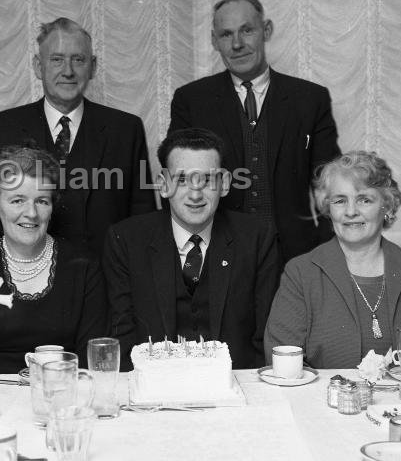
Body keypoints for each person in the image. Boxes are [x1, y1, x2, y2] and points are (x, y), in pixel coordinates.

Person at [169, 0, 341, 264]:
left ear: (266, 31)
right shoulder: (191, 101)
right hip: (216, 257)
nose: (237, 44)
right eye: (226, 34)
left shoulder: (309, 100)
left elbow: (331, 183)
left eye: (247, 30)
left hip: (295, 257)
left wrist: (323, 247)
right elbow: (180, 183)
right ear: (215, 41)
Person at [0, 17, 156, 255]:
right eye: (56, 60)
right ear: (38, 67)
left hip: (107, 281)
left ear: (93, 67)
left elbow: (144, 220)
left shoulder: (126, 130)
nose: (68, 71)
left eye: (78, 60)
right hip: (24, 281)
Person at [103, 128, 279, 371]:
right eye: (182, 180)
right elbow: (122, 334)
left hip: (234, 386)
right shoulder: (126, 240)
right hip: (154, 390)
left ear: (225, 184)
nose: (195, 194)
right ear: (164, 185)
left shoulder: (257, 238)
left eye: (207, 180)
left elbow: (265, 336)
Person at [0, 145, 107, 373]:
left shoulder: (85, 268)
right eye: (17, 200)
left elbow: (92, 362)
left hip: (61, 400)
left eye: (42, 201)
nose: (31, 213)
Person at [264, 151, 401, 369]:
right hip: (324, 402)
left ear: (386, 205)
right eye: (340, 200)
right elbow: (282, 363)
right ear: (328, 208)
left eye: (364, 200)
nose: (350, 212)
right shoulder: (301, 273)